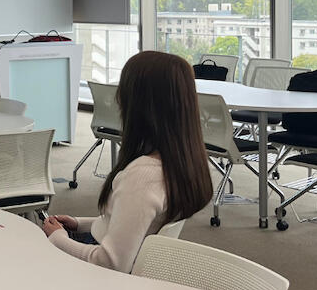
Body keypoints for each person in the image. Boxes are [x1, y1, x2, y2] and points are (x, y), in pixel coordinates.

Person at [42, 51, 213, 272]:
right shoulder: (184, 161)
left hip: (102, 275)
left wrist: (57, 238)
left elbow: (110, 263)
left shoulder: (143, 177)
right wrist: (79, 223)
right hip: (131, 260)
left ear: (139, 103)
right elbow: (134, 226)